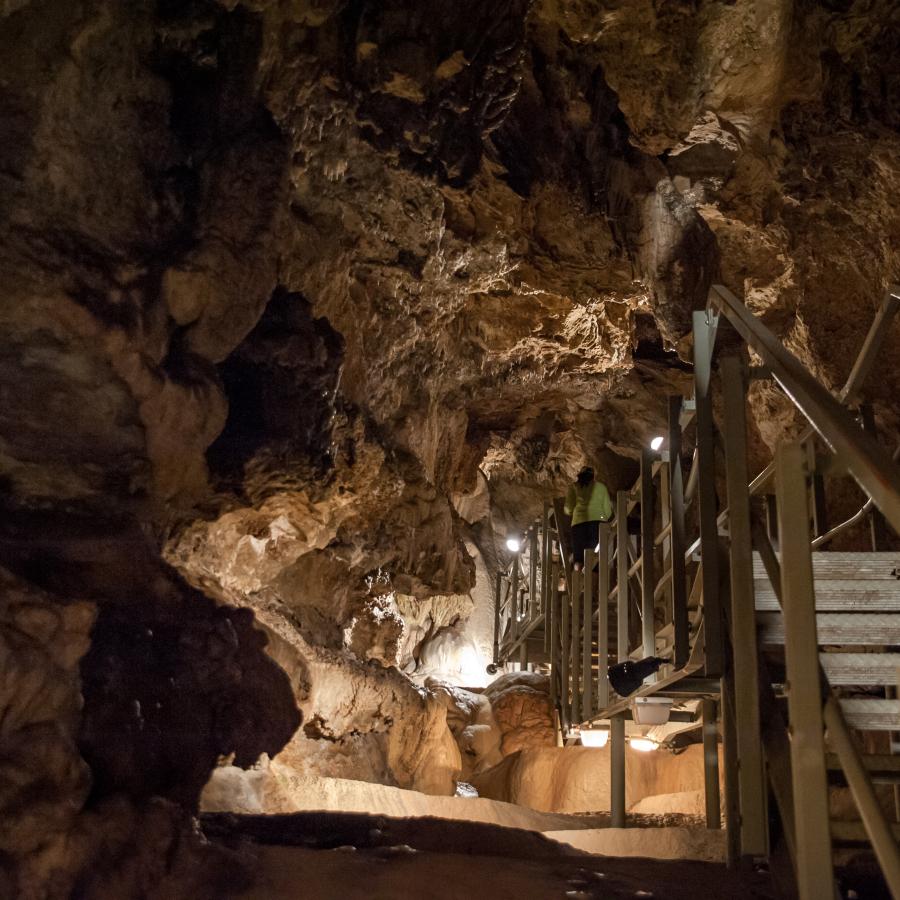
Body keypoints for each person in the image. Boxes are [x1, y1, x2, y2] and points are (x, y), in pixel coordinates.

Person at [564, 466, 613, 570]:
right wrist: (603, 517)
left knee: (579, 558)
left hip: (578, 524)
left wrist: (572, 512)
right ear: (593, 476)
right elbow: (608, 511)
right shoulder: (601, 487)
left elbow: (568, 508)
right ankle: (597, 579)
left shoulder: (574, 487)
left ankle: (578, 582)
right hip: (597, 524)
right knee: (595, 555)